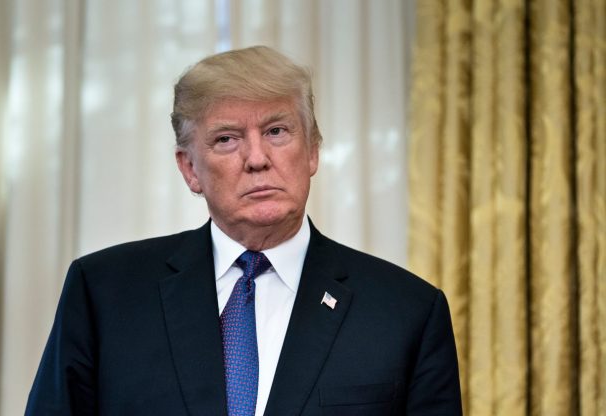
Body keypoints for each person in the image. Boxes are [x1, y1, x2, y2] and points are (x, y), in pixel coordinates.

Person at [25, 46, 462, 416]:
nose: (257, 158)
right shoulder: (105, 292)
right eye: (227, 139)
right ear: (190, 168)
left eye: (276, 131)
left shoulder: (407, 313)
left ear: (312, 151)